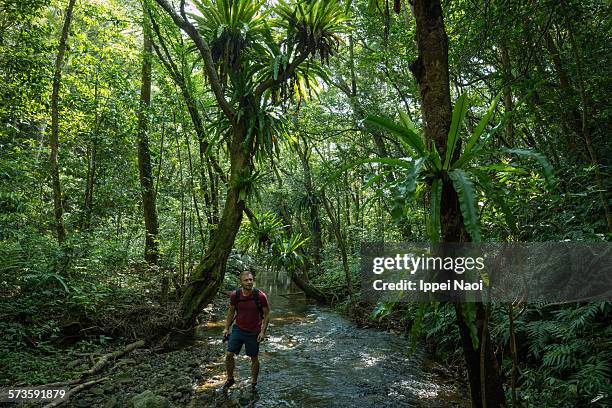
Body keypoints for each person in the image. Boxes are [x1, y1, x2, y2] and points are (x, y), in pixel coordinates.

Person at [222, 269, 270, 392]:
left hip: (254, 331)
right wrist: (226, 328)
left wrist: (263, 332)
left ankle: (254, 383)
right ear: (241, 282)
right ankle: (230, 378)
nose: (249, 282)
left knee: (254, 358)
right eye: (246, 280)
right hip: (238, 329)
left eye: (251, 280)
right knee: (229, 355)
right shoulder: (235, 295)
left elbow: (267, 314)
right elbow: (231, 311)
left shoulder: (260, 296)